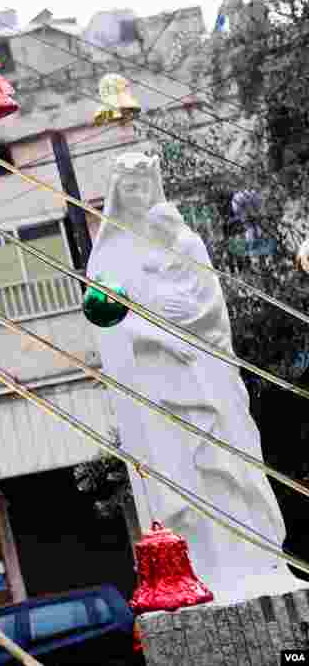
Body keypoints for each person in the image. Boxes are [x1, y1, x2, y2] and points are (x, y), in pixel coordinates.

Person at [87, 152, 294, 602]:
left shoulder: (183, 241)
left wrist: (188, 326)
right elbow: (110, 322)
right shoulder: (110, 255)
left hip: (203, 369)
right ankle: (199, 567)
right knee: (179, 474)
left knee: (229, 457)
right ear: (117, 195)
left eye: (144, 185)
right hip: (157, 384)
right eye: (129, 188)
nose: (138, 195)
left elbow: (211, 308)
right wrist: (155, 334)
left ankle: (256, 559)